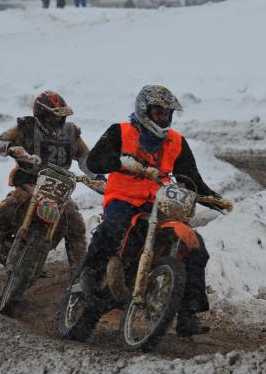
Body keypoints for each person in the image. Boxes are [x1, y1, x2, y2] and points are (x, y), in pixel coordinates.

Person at [83, 85, 222, 336]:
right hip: (123, 197)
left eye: (168, 114)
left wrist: (215, 199)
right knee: (114, 227)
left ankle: (188, 314)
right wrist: (120, 161)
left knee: (194, 246)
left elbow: (191, 179)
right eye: (159, 112)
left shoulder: (176, 142)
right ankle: (90, 275)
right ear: (144, 110)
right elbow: (94, 162)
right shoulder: (121, 131)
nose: (164, 118)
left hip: (159, 203)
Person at [0, 91, 104, 276]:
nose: (58, 121)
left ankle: (79, 275)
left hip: (57, 187)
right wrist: (11, 148)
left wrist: (98, 179)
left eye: (61, 117)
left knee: (76, 224)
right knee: (4, 210)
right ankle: (1, 247)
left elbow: (84, 158)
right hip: (29, 181)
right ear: (42, 116)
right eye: (54, 117)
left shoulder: (71, 133)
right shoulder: (25, 126)